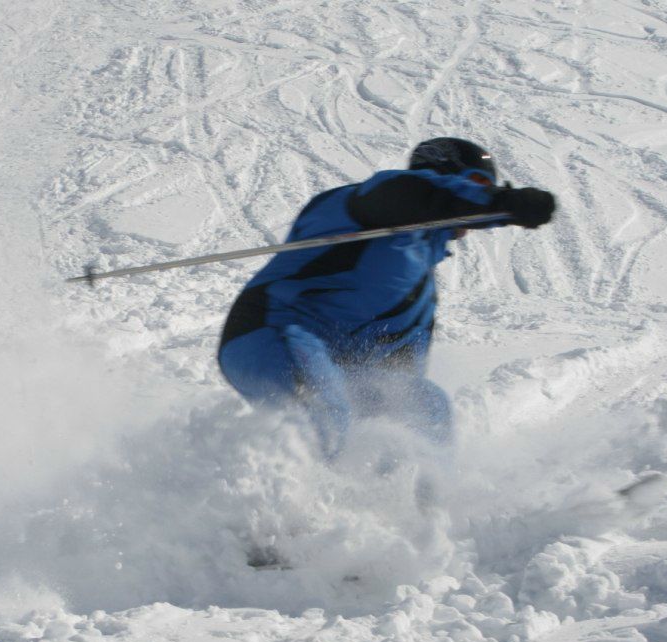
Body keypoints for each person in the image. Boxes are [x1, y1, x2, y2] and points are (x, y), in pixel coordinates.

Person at [217, 137, 556, 455]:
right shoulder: (360, 204)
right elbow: (406, 194)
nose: (479, 195)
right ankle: (286, 511)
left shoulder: (420, 291)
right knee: (327, 404)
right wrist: (501, 202)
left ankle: (421, 509)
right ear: (445, 176)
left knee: (426, 405)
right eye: (478, 184)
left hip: (338, 366)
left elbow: (400, 370)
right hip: (271, 333)